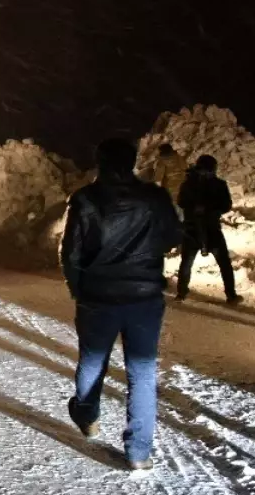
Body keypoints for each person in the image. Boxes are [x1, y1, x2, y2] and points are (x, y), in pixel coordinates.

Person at [62, 137, 180, 471]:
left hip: (98, 295)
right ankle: (139, 452)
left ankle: (87, 416)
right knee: (142, 372)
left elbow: (71, 251)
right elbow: (173, 236)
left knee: (93, 359)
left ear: (99, 162)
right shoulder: (154, 197)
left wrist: (78, 287)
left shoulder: (85, 199)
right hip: (144, 297)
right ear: (133, 161)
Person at [176, 155, 242, 304]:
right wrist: (209, 208)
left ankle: (181, 292)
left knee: (188, 261)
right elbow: (226, 205)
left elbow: (181, 202)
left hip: (198, 228)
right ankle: (231, 295)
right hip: (206, 227)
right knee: (221, 262)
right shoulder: (216, 184)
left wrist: (200, 208)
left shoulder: (189, 183)